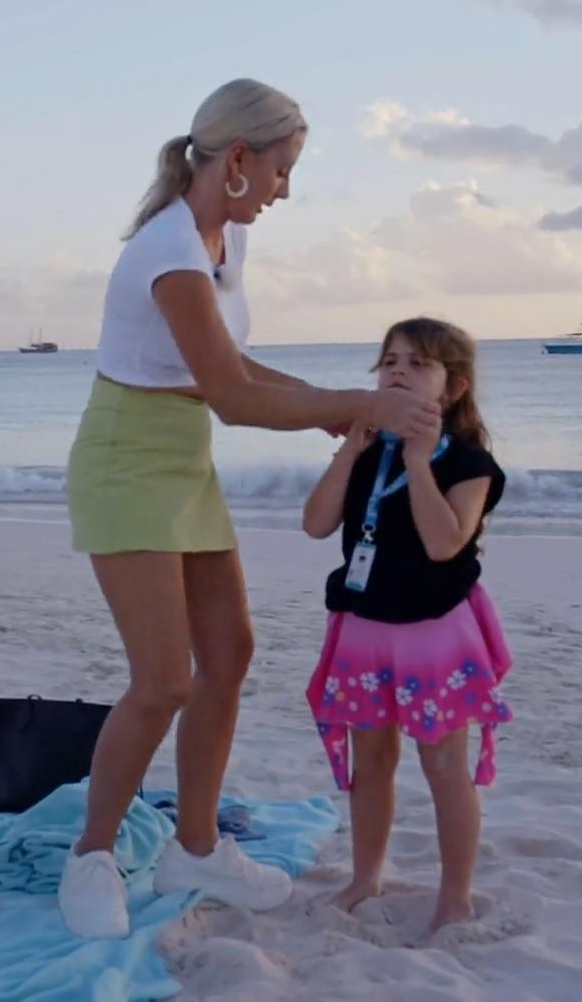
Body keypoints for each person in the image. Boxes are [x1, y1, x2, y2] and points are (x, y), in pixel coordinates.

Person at [57, 79, 443, 939]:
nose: (285, 190)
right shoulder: (171, 254)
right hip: (125, 462)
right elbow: (231, 394)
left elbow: (235, 365)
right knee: (164, 681)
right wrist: (356, 403)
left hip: (180, 458)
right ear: (238, 161)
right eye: (281, 169)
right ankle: (88, 857)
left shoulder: (223, 237)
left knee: (229, 653)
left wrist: (331, 403)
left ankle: (194, 848)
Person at [301, 317, 513, 935]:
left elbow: (447, 543)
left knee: (443, 764)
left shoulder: (470, 462)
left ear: (452, 389)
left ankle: (456, 897)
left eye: (419, 364)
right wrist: (352, 444)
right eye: (389, 360)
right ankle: (366, 877)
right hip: (364, 626)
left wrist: (419, 462)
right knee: (372, 761)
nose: (398, 372)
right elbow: (316, 524)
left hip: (434, 633)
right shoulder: (367, 453)